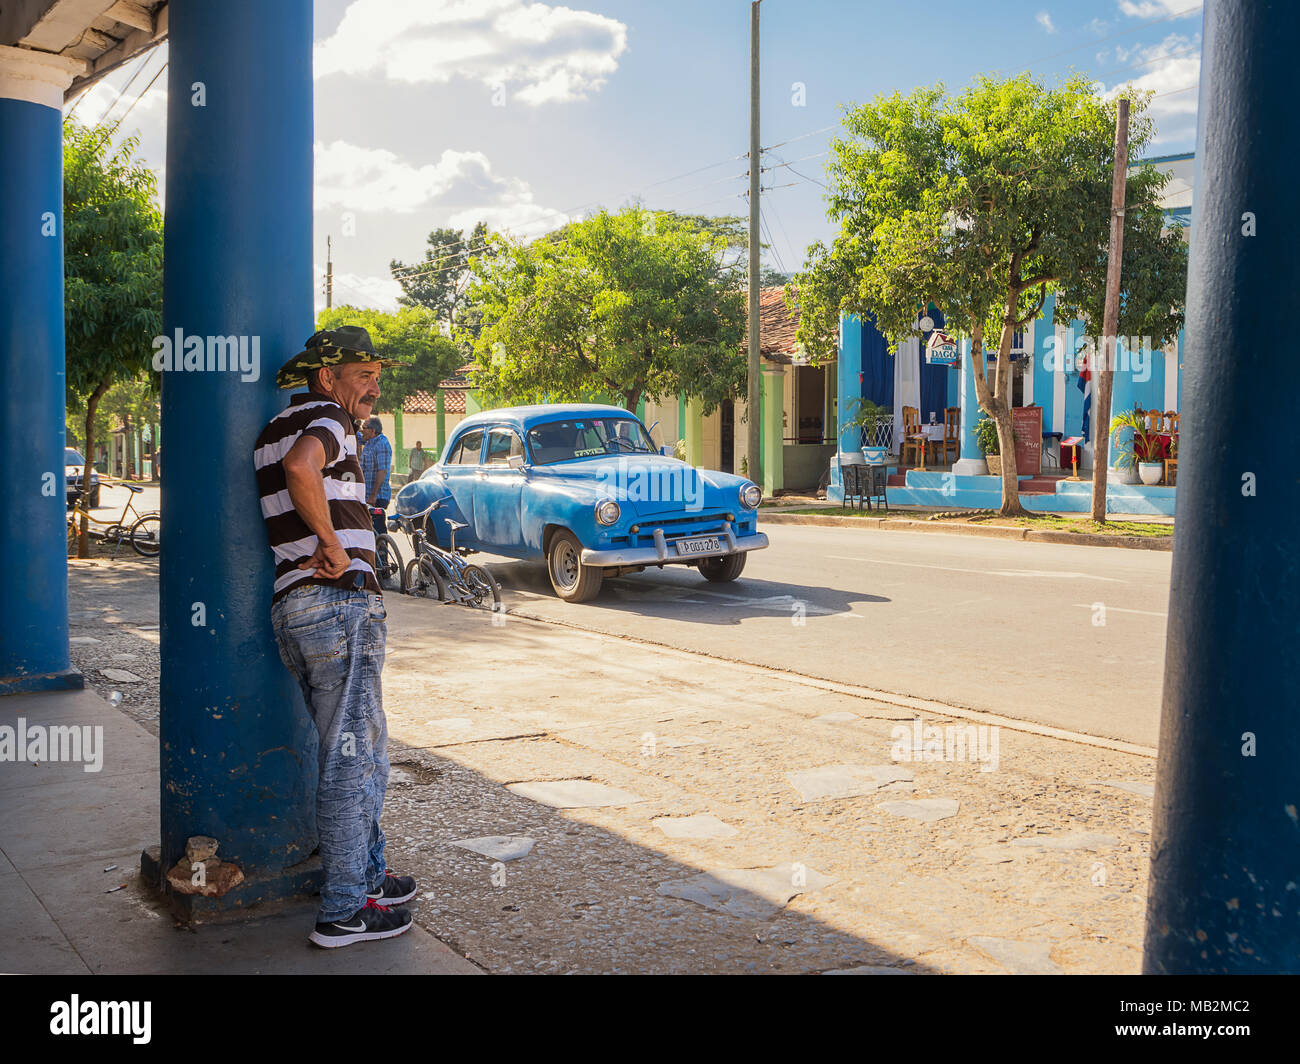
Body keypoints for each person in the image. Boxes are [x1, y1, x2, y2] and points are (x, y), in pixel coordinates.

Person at [252, 325, 416, 948]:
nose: (373, 387)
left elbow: (290, 466)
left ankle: (370, 878)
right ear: (327, 379)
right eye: (362, 376)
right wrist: (330, 544)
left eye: (377, 375)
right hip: (337, 605)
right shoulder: (329, 420)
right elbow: (304, 468)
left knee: (362, 751)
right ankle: (345, 910)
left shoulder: (275, 429)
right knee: (353, 757)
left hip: (296, 608)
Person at [359, 416, 392, 537]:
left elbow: (382, 471)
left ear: (373, 431)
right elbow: (357, 437)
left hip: (377, 496)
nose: (362, 430)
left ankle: (382, 554)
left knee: (378, 529)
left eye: (364, 428)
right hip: (368, 495)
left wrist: (373, 496)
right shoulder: (369, 442)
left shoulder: (381, 444)